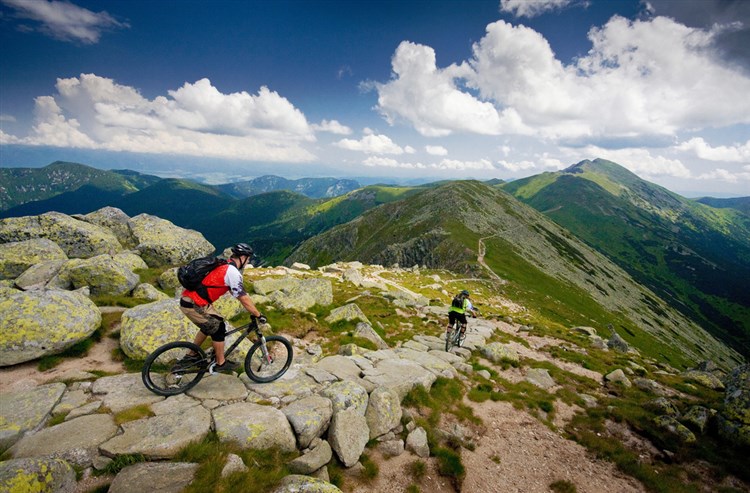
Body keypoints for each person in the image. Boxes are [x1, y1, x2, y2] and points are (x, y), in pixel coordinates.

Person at [178, 243, 264, 372]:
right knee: (218, 328)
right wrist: (258, 314)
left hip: (193, 300)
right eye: (248, 259)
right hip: (193, 304)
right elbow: (243, 297)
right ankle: (220, 363)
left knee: (212, 323)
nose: (248, 262)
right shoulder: (232, 272)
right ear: (243, 257)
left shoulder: (224, 264)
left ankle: (192, 354)